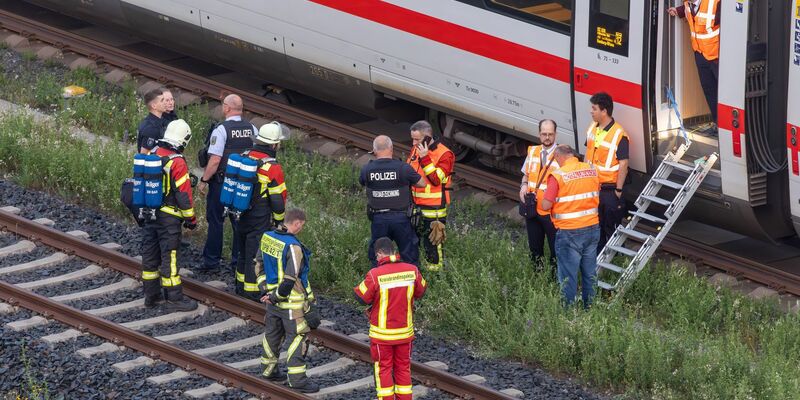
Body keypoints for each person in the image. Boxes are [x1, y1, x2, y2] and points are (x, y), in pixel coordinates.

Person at [354, 237, 427, 400]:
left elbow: (360, 296)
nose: (377, 259)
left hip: (382, 335)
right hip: (404, 333)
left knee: (384, 369)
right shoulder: (412, 270)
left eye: (376, 256)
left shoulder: (375, 274)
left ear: (379, 253)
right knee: (403, 368)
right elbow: (422, 291)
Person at [140, 119, 198, 312]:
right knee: (170, 256)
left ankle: (151, 296)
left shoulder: (153, 152)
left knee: (150, 254)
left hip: (149, 213)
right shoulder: (177, 161)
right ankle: (174, 298)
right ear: (183, 140)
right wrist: (191, 219)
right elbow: (183, 194)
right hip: (169, 218)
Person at [258, 209, 319, 393]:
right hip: (290, 303)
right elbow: (291, 277)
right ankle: (297, 380)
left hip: (271, 300)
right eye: (302, 225)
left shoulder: (267, 237)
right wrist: (278, 296)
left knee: (272, 334)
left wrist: (267, 293)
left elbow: (258, 265)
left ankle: (269, 371)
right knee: (296, 338)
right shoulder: (293, 246)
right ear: (298, 223)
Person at [196, 94, 258, 270]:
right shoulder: (252, 128)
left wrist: (204, 180)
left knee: (216, 220)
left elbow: (215, 160)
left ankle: (211, 261)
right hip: (244, 183)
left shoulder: (222, 130)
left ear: (227, 108)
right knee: (239, 221)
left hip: (222, 183)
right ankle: (238, 261)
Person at [541, 145, 600, 308]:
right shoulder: (591, 169)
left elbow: (545, 205)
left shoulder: (558, 175)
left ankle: (567, 313)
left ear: (559, 157)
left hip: (569, 232)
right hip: (592, 228)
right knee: (590, 273)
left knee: (568, 275)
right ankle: (590, 309)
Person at [234, 122, 288, 301]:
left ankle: (240, 286)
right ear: (273, 145)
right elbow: (277, 199)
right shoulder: (272, 167)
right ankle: (251, 290)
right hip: (259, 215)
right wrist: (279, 220)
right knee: (254, 254)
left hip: (239, 211)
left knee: (241, 249)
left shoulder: (245, 156)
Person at [360, 135, 426, 266]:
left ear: (374, 150)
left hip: (378, 219)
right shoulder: (403, 168)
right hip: (402, 219)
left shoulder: (367, 169)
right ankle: (411, 282)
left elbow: (363, 182)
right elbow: (422, 183)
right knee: (409, 254)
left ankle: (379, 281)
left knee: (378, 256)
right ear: (391, 149)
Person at [406, 121, 455, 271]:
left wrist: (425, 158)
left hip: (434, 211)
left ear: (427, 138)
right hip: (415, 206)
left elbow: (436, 179)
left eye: (417, 140)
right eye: (412, 139)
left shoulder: (445, 154)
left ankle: (435, 276)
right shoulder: (417, 149)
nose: (414, 143)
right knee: (415, 242)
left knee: (433, 246)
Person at [585, 92, 628, 252]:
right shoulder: (592, 128)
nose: (591, 111)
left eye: (594, 108)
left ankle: (616, 264)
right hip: (593, 189)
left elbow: (624, 164)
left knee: (612, 229)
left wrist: (618, 190)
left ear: (604, 111)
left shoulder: (618, 134)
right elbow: (589, 154)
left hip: (609, 190)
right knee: (597, 228)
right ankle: (599, 261)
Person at [668, 0, 720, 124]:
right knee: (709, 91)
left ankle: (726, 126)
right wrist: (678, 11)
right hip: (700, 54)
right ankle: (718, 123)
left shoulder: (716, 3)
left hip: (717, 57)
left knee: (723, 92)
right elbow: (692, 12)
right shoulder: (688, 3)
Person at [519, 119, 559, 271]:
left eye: (550, 134)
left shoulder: (561, 155)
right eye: (544, 134)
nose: (547, 137)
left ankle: (554, 280)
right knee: (535, 249)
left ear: (555, 134)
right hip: (533, 208)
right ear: (539, 134)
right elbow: (526, 175)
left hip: (551, 212)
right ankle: (537, 276)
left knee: (556, 250)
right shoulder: (533, 152)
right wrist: (523, 185)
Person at [136, 87, 166, 154]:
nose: (165, 102)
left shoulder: (156, 121)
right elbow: (143, 155)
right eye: (162, 100)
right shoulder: (151, 128)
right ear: (154, 106)